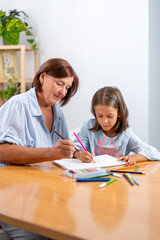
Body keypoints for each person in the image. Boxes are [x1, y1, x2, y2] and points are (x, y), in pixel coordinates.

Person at [0, 58, 79, 239]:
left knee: (70, 228)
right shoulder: (18, 105)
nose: (62, 92)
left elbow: (62, 150)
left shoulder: (57, 112)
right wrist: (51, 153)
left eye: (67, 87)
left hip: (42, 194)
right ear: (43, 77)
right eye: (60, 84)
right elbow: (2, 152)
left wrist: (75, 153)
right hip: (13, 198)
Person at [73, 86, 160, 165]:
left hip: (119, 176)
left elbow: (154, 153)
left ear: (118, 113)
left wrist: (134, 157)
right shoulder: (88, 127)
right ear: (94, 111)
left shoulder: (126, 133)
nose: (104, 121)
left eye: (110, 116)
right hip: (93, 175)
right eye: (99, 116)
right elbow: (74, 148)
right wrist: (79, 154)